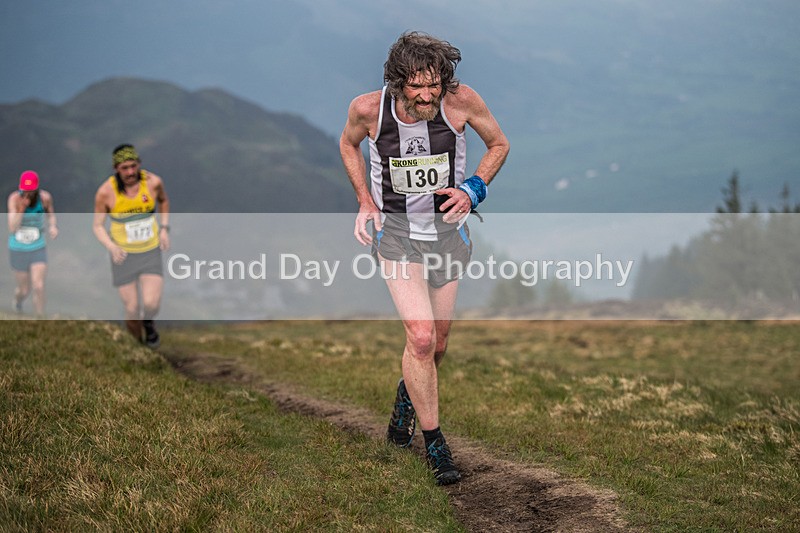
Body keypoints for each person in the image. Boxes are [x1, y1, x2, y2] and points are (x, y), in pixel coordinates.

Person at [340, 31, 509, 485]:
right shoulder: (368, 110)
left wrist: (473, 189)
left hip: (446, 236)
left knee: (437, 346)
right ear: (397, 82)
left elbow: (499, 144)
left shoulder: (459, 102)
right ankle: (434, 443)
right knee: (419, 337)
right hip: (396, 237)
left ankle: (406, 399)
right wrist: (365, 200)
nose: (427, 95)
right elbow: (347, 145)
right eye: (417, 86)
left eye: (434, 84)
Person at [93, 144, 170, 348]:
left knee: (152, 303)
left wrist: (164, 229)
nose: (130, 172)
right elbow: (98, 226)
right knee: (132, 309)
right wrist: (111, 247)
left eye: (133, 166)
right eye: (124, 168)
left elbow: (163, 201)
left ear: (139, 164)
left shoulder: (153, 182)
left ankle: (149, 323)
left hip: (150, 250)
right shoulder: (105, 192)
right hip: (123, 255)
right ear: (116, 168)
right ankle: (138, 348)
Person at [7, 170, 58, 315]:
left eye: (31, 191)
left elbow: (51, 215)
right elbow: (12, 228)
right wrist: (22, 208)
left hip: (37, 246)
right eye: (25, 191)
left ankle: (40, 319)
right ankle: (17, 301)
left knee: (39, 286)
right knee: (24, 289)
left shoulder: (45, 198)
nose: (27, 195)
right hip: (18, 248)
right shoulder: (14, 199)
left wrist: (53, 226)